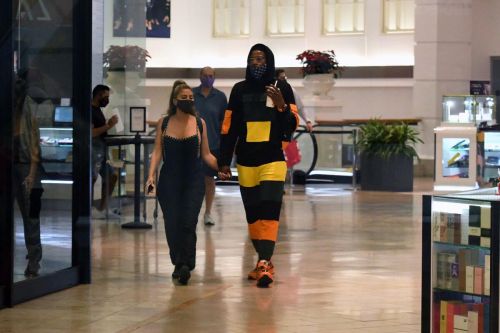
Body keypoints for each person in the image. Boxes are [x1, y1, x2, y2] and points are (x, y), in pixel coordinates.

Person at [218, 44, 299, 287]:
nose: (256, 63)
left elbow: (292, 125)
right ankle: (262, 261)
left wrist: (281, 105)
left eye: (261, 59)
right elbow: (229, 128)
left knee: (269, 210)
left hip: (273, 159)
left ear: (270, 61)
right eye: (252, 59)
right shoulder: (238, 90)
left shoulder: (281, 87)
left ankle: (265, 261)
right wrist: (223, 161)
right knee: (253, 214)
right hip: (246, 161)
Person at [145, 83, 229, 285]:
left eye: (191, 97)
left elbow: (206, 154)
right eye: (184, 97)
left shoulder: (200, 123)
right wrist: (150, 176)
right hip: (169, 180)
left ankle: (185, 265)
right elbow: (157, 151)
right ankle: (178, 261)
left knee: (188, 222)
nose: (189, 100)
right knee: (172, 223)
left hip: (194, 180)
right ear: (175, 101)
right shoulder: (163, 123)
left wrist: (221, 168)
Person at [13, 75, 44, 277]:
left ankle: (34, 259)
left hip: (26, 167)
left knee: (30, 216)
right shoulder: (12, 107)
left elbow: (34, 142)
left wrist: (32, 173)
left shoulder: (29, 107)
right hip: (12, 164)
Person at [193, 67, 228, 226]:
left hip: (213, 144)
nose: (208, 78)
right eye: (205, 76)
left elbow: (224, 123)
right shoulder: (192, 94)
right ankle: (191, 211)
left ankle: (207, 212)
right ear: (200, 77)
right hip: (193, 143)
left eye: (211, 76)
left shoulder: (220, 97)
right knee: (193, 179)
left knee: (209, 179)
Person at [91, 85, 119, 219]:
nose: (107, 100)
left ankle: (103, 207)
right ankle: (89, 207)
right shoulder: (90, 110)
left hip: (101, 150)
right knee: (92, 177)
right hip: (94, 150)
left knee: (112, 176)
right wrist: (108, 125)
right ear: (99, 95)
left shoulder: (98, 110)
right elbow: (91, 133)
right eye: (106, 97)